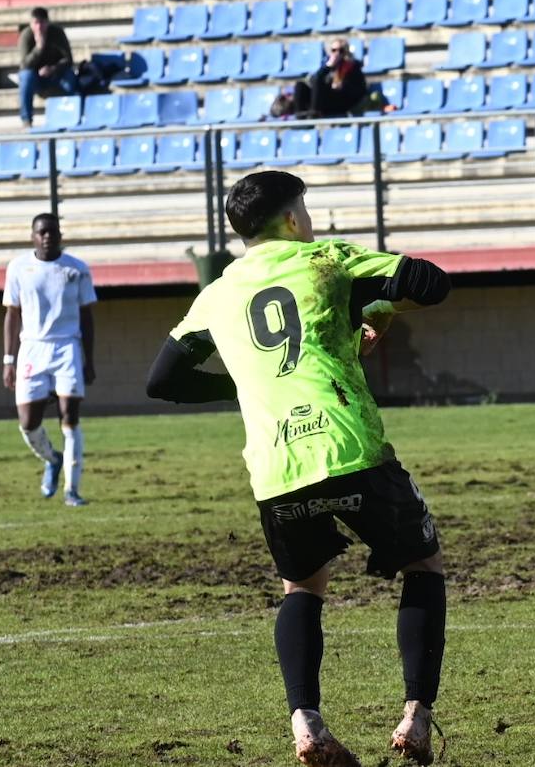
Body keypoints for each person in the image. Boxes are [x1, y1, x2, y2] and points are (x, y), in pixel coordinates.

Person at [145, 170, 451, 767]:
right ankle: (415, 716)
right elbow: (432, 282)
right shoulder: (327, 258)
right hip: (348, 447)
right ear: (291, 220)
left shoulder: (217, 294)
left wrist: (244, 378)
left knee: (302, 588)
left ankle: (305, 721)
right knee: (423, 564)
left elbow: (161, 382)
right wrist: (376, 300)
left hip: (277, 466)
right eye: (305, 209)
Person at [2, 212, 96, 506]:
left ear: (60, 235)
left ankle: (72, 490)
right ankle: (52, 459)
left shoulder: (77, 269)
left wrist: (88, 359)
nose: (47, 236)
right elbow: (12, 314)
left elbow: (87, 316)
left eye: (52, 232)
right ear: (32, 236)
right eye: (41, 232)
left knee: (70, 416)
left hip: (67, 347)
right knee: (28, 422)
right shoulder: (17, 268)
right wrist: (8, 359)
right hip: (32, 348)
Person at [17, 7, 79, 128]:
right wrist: (38, 48)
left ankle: (72, 115)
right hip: (36, 77)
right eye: (36, 23)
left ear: (47, 22)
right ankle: (26, 120)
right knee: (25, 77)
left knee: (70, 77)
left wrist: (53, 69)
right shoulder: (26, 36)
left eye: (42, 23)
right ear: (31, 24)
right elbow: (24, 65)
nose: (39, 27)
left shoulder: (57, 33)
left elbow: (68, 59)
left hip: (56, 74)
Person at [292, 39, 377, 118]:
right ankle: (300, 114)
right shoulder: (327, 66)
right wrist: (328, 67)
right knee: (300, 85)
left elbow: (359, 90)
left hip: (342, 101)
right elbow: (315, 79)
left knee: (318, 81)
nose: (337, 53)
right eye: (334, 50)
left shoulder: (353, 67)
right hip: (327, 99)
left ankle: (315, 112)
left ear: (346, 52)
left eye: (341, 51)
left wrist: (342, 86)